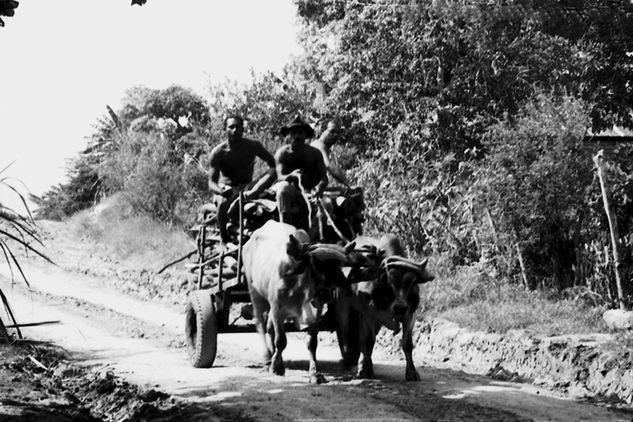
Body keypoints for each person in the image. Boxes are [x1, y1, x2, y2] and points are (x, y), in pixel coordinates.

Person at [208, 115, 276, 247]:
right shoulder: (218, 152)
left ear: (243, 129)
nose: (235, 130)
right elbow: (211, 183)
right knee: (221, 202)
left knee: (274, 171)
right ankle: (223, 237)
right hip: (227, 189)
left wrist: (263, 183)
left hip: (248, 188)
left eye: (238, 127)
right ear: (225, 129)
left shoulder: (253, 146)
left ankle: (251, 195)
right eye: (231, 127)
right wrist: (221, 190)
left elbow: (273, 163)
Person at [274, 116, 328, 231]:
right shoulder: (282, 153)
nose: (297, 136)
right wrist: (291, 175)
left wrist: (319, 187)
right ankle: (286, 231)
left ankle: (309, 238)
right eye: (293, 133)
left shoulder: (315, 153)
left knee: (327, 204)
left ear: (305, 135)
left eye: (300, 133)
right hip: (292, 193)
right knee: (283, 188)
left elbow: (324, 177)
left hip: (311, 193)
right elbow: (280, 177)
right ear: (288, 136)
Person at [311, 119, 350, 187]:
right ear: (323, 131)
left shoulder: (323, 146)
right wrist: (347, 183)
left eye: (338, 132)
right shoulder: (319, 145)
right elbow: (330, 166)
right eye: (332, 131)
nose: (335, 135)